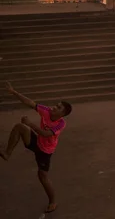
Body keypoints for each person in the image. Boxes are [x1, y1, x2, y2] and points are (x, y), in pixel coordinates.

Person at [0, 81, 72, 214]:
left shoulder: (60, 124)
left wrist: (30, 123)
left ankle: (53, 201)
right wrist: (14, 92)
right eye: (56, 105)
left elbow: (45, 134)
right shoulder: (46, 111)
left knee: (42, 176)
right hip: (36, 141)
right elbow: (30, 102)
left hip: (45, 151)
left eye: (58, 108)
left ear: (62, 114)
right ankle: (7, 153)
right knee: (19, 127)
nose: (54, 107)